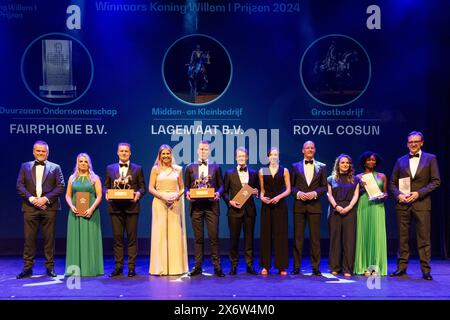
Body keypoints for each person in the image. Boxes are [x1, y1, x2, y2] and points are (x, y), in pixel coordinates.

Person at [389, 131, 440, 280]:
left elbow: (436, 181)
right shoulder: (400, 161)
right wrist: (398, 195)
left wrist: (419, 193)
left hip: (422, 203)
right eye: (411, 142)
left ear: (422, 142)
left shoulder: (430, 159)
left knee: (423, 238)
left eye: (416, 141)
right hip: (403, 204)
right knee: (402, 238)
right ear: (407, 144)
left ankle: (425, 270)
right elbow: (392, 183)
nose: (413, 144)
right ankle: (401, 268)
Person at [16, 140, 65, 279]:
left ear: (47, 152)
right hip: (30, 207)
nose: (41, 153)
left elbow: (61, 186)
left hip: (49, 208)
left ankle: (50, 268)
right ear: (33, 151)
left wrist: (45, 199)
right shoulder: (25, 166)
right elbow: (20, 186)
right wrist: (32, 199)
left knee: (49, 239)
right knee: (29, 239)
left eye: (43, 151)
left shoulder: (55, 167)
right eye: (38, 151)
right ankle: (27, 268)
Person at [104, 143, 146, 277]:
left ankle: (132, 268)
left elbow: (142, 187)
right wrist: (106, 193)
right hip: (115, 209)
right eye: (121, 151)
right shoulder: (110, 168)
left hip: (132, 208)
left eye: (126, 151)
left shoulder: (138, 169)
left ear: (130, 153)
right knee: (118, 239)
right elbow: (106, 186)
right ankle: (118, 267)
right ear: (117, 153)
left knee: (132, 239)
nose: (124, 153)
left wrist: (138, 194)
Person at [185, 140, 225, 277]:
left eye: (205, 149)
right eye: (201, 149)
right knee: (198, 238)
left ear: (209, 151)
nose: (203, 151)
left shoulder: (216, 167)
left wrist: (218, 193)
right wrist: (187, 193)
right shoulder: (190, 167)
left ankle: (217, 266)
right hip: (196, 207)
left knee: (213, 237)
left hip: (211, 207)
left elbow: (222, 186)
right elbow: (185, 186)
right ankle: (197, 266)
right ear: (197, 150)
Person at [148, 145, 188, 275]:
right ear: (159, 155)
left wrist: (177, 195)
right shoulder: (155, 169)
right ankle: (160, 268)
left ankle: (176, 268)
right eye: (163, 154)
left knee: (174, 234)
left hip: (175, 203)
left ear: (171, 155)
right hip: (159, 202)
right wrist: (162, 196)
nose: (166, 156)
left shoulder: (178, 170)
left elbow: (182, 188)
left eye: (168, 153)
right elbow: (151, 188)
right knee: (160, 235)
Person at [290, 141, 327, 276]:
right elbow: (291, 187)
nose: (310, 149)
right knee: (298, 238)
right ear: (302, 150)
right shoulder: (295, 166)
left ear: (315, 150)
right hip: (299, 206)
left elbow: (324, 186)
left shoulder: (322, 167)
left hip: (314, 206)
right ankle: (296, 267)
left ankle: (315, 267)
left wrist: (315, 193)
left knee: (315, 239)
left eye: (312, 148)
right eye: (307, 147)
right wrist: (299, 194)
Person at [65, 153, 104, 277]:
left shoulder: (94, 178)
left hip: (91, 213)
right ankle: (74, 269)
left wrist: (92, 209)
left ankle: (91, 268)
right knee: (75, 240)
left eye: (85, 161)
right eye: (80, 161)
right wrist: (71, 206)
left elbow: (99, 195)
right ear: (77, 163)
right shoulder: (72, 178)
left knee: (90, 240)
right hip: (75, 214)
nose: (83, 163)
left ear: (89, 164)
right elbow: (68, 195)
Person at [222, 147, 259, 275]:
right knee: (234, 239)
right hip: (234, 211)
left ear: (247, 157)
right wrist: (230, 201)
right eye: (239, 156)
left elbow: (258, 190)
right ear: (236, 158)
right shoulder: (229, 173)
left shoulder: (254, 173)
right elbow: (224, 192)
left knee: (249, 240)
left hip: (249, 211)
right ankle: (234, 266)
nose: (241, 158)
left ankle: (249, 266)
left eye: (244, 156)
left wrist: (256, 192)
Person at [354, 152, 388, 276]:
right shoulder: (358, 177)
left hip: (377, 207)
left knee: (376, 236)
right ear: (364, 162)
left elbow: (386, 193)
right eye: (369, 160)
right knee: (364, 234)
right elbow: (355, 194)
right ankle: (363, 266)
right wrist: (362, 187)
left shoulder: (382, 176)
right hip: (364, 206)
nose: (371, 162)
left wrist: (382, 196)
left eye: (373, 160)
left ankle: (374, 268)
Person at [259, 147, 291, 276]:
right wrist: (261, 197)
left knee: (280, 235)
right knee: (266, 235)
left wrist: (278, 197)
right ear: (268, 157)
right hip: (266, 206)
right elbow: (262, 190)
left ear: (278, 156)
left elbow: (288, 189)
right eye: (271, 154)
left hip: (280, 205)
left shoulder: (285, 170)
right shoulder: (262, 170)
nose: (273, 156)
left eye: (276, 154)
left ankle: (281, 266)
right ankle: (265, 266)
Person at [327, 154, 359, 277]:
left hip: (350, 210)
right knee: (335, 240)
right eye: (342, 162)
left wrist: (349, 207)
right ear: (338, 164)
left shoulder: (355, 179)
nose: (345, 164)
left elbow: (356, 195)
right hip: (335, 210)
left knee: (349, 240)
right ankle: (335, 267)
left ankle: (347, 269)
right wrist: (336, 206)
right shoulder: (331, 179)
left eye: (347, 163)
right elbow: (329, 195)